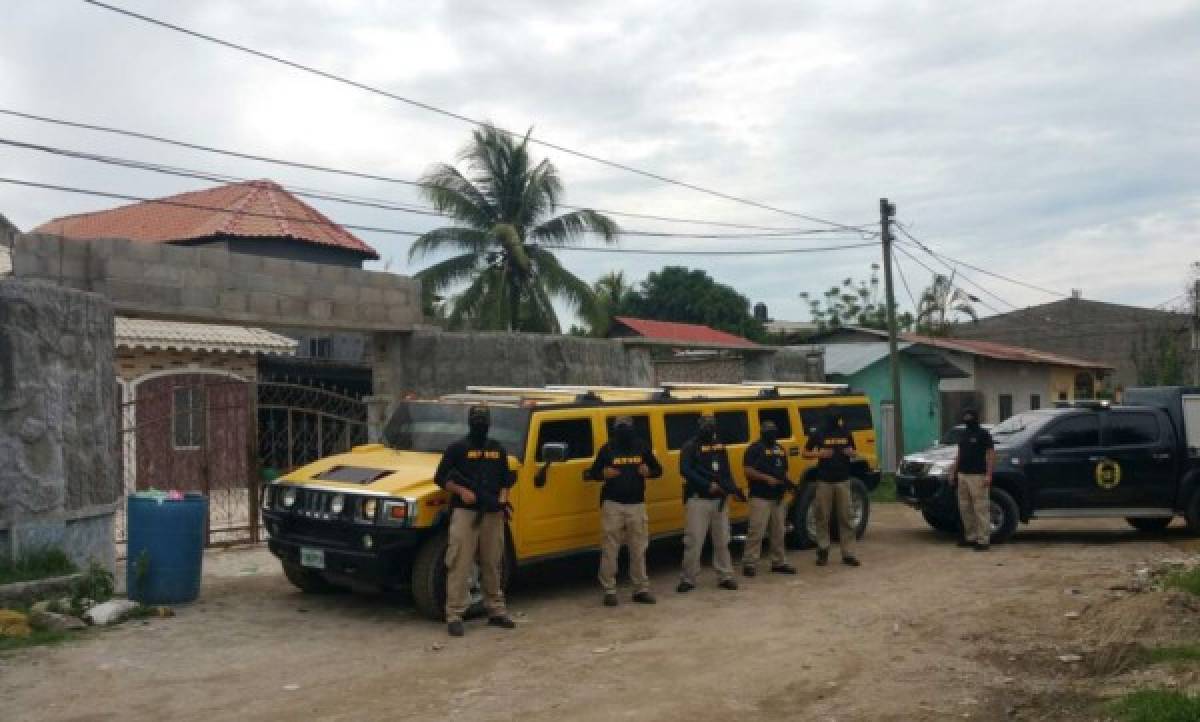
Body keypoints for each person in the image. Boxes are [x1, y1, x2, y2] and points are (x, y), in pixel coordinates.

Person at [433, 405, 518, 637]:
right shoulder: (457, 448)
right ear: (470, 422)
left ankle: (496, 610)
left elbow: (506, 480)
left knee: (492, 562)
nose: (480, 424)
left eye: (483, 420)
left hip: (492, 513)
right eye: (477, 420)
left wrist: (502, 500)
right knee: (459, 562)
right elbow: (440, 478)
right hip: (465, 512)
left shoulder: (497, 450)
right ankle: (454, 615)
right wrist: (461, 491)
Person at [586, 416, 663, 607]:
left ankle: (641, 589)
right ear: (614, 429)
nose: (623, 430)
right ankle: (609, 590)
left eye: (626, 426)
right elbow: (592, 473)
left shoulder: (642, 447)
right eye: (620, 427)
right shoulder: (607, 449)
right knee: (610, 548)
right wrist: (603, 474)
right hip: (613, 504)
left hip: (636, 504)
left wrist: (649, 472)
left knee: (638, 548)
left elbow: (659, 469)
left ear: (632, 428)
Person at [678, 414, 740, 593]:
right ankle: (688, 578)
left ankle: (725, 576)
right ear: (699, 426)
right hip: (698, 500)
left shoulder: (719, 446)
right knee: (694, 541)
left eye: (711, 425)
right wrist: (707, 485)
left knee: (722, 540)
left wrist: (732, 489)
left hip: (719, 500)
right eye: (705, 425)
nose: (708, 428)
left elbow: (726, 471)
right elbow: (685, 470)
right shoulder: (690, 446)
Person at [803, 407, 861, 567]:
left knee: (846, 517)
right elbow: (804, 452)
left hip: (843, 480)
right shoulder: (818, 433)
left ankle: (848, 554)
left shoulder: (846, 433)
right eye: (833, 416)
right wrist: (819, 454)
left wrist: (852, 453)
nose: (835, 419)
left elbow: (854, 452)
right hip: (824, 481)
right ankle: (823, 551)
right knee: (822, 516)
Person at [741, 420, 796, 577]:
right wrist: (766, 478)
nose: (772, 433)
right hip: (760, 497)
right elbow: (748, 470)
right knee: (756, 531)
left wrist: (789, 484)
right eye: (768, 431)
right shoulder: (754, 449)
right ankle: (750, 563)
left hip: (778, 497)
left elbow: (784, 471)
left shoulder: (780, 449)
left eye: (773, 430)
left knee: (779, 531)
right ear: (762, 432)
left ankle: (779, 562)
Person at [949, 409, 995, 551]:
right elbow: (959, 454)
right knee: (965, 508)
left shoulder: (984, 434)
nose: (967, 419)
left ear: (975, 418)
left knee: (980, 508)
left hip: (978, 476)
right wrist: (953, 472)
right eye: (965, 416)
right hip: (962, 475)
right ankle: (971, 537)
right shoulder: (963, 434)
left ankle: (983, 540)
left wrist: (988, 474)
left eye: (969, 417)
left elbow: (990, 455)